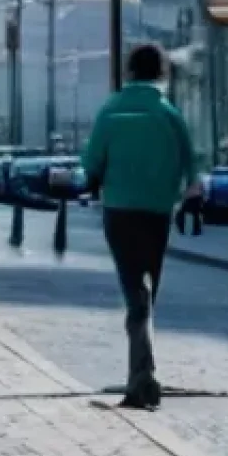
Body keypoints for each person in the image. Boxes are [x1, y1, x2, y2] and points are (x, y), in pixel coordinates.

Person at [82, 44, 193, 410]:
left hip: (119, 210)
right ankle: (142, 372)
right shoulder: (169, 113)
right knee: (146, 291)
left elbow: (91, 162)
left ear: (129, 71)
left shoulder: (110, 110)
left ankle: (141, 377)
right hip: (158, 210)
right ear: (161, 72)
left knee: (135, 293)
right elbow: (190, 163)